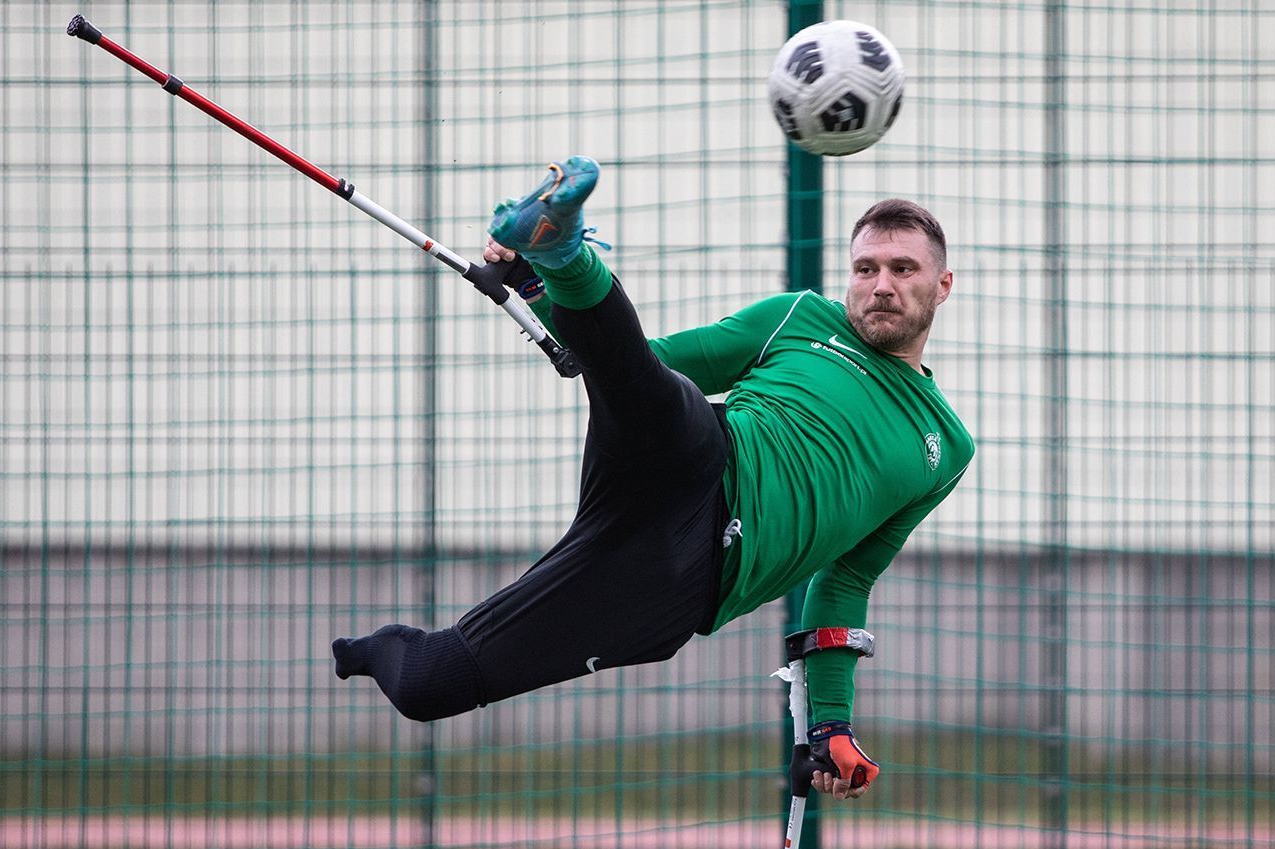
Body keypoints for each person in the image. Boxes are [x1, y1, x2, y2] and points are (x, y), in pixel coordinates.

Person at [332, 156, 974, 800]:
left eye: (902, 269)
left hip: (675, 579)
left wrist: (831, 725)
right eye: (866, 269)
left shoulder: (945, 445)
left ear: (942, 285)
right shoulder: (801, 318)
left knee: (430, 685)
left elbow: (850, 578)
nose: (881, 285)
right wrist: (539, 289)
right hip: (700, 458)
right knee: (658, 397)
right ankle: (563, 252)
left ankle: (370, 649)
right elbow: (637, 364)